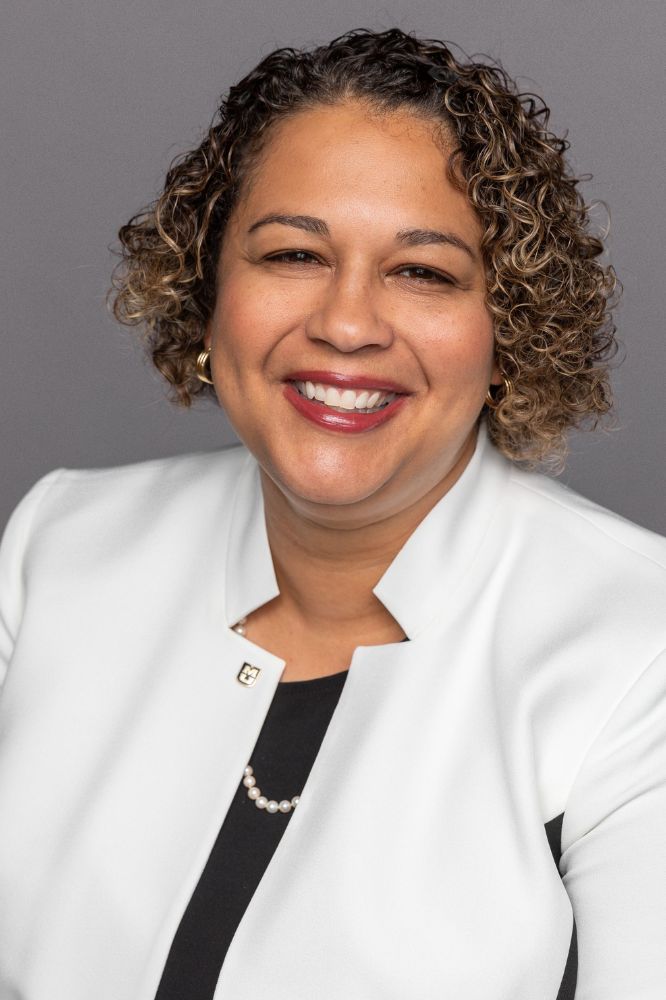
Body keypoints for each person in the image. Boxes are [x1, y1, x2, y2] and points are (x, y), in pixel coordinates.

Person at [0, 25, 664, 1000]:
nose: (347, 323)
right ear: (208, 281)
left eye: (423, 271)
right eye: (294, 253)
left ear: (508, 327)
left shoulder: (642, 647)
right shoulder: (58, 545)